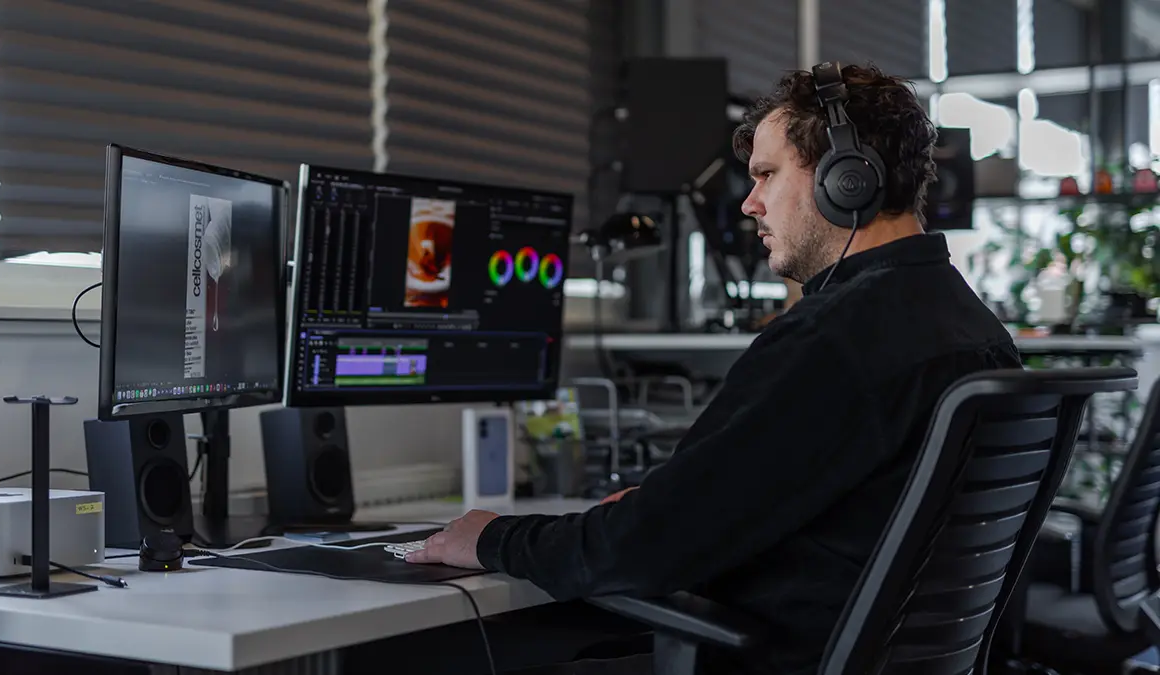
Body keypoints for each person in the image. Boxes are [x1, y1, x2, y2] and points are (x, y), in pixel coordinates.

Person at [403, 63, 1022, 674]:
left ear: (846, 178)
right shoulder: (975, 328)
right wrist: (675, 507)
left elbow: (645, 552)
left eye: (766, 175)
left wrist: (492, 538)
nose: (750, 203)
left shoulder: (833, 338)